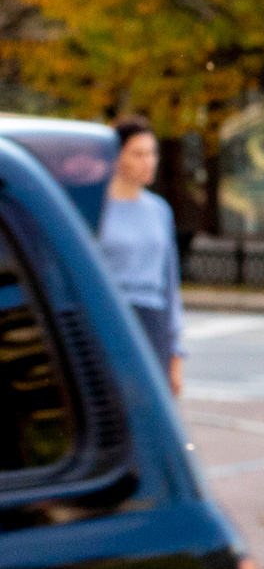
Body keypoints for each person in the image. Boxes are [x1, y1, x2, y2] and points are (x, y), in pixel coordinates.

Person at [98, 116, 186, 394]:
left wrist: (176, 354)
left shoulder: (159, 210)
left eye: (152, 153)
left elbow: (169, 284)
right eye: (138, 154)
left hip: (153, 321)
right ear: (117, 157)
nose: (149, 162)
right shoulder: (96, 209)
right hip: (110, 317)